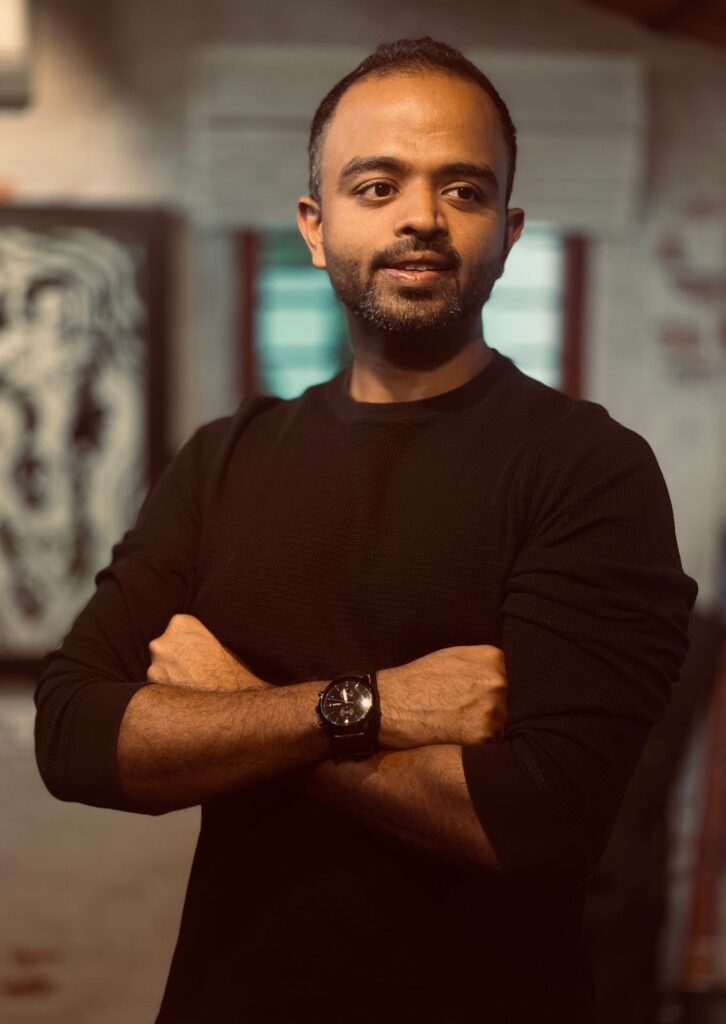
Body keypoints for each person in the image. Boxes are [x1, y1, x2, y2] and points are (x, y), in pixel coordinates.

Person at [34, 37, 697, 1023]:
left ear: (509, 231)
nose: (421, 217)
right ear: (315, 226)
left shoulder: (591, 471)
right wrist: (366, 708)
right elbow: (73, 736)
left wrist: (231, 705)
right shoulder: (226, 458)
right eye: (377, 186)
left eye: (464, 190)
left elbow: (537, 819)